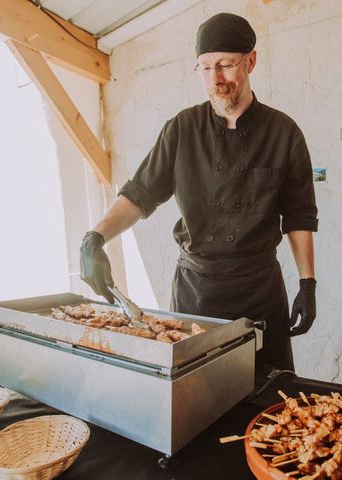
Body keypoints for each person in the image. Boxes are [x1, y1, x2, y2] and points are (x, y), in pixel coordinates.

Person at [80, 12, 318, 372]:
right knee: (198, 394)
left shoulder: (284, 133)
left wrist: (307, 282)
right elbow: (139, 195)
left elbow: (299, 216)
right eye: (205, 68)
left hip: (259, 290)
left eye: (224, 65)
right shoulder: (182, 129)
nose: (215, 79)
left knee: (268, 391)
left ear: (250, 60)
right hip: (196, 294)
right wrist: (95, 237)